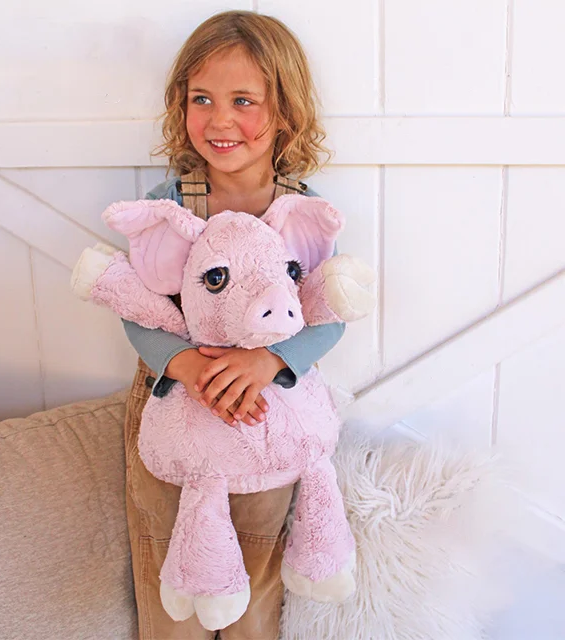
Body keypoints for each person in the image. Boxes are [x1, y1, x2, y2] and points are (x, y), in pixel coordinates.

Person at [123, 10, 344, 639]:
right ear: (181, 104)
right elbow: (135, 308)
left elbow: (331, 312)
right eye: (203, 99)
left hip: (264, 414)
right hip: (175, 407)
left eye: (243, 100)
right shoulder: (168, 206)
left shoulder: (303, 212)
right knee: (171, 573)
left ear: (284, 112)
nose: (220, 120)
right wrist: (188, 365)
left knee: (254, 567)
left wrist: (270, 361)